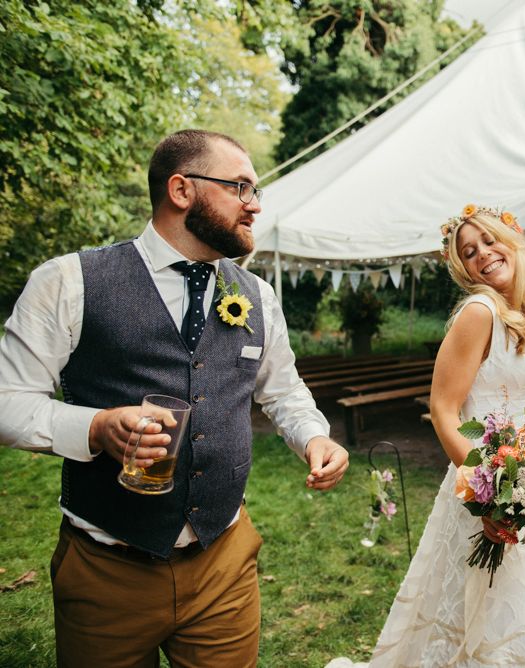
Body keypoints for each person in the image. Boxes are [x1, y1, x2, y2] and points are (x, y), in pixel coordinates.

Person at [0, 129, 349, 667]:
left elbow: (283, 390)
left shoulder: (257, 296)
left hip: (224, 563)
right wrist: (96, 428)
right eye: (241, 187)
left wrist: (315, 436)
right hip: (105, 570)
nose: (254, 206)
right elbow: (7, 401)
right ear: (182, 190)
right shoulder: (69, 281)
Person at [327, 205, 525, 667]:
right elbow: (444, 410)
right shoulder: (479, 312)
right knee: (488, 613)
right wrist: (488, 495)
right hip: (487, 483)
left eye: (489, 241)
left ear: (512, 240)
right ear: (464, 269)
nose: (483, 255)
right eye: (470, 252)